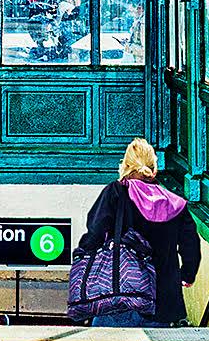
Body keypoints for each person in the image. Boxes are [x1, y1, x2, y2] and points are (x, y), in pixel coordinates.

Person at [81, 138, 201, 326]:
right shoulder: (174, 203)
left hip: (119, 296)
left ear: (126, 166)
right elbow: (190, 243)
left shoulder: (115, 193)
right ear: (154, 169)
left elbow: (94, 233)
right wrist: (187, 274)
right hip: (162, 302)